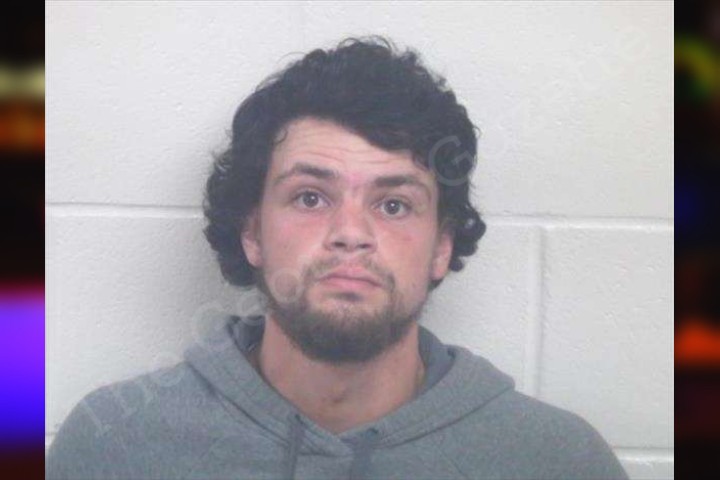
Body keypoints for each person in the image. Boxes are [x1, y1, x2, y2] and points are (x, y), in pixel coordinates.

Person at [46, 36, 628, 480]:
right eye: (310, 197)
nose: (351, 234)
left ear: (442, 246)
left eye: (394, 204)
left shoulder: (559, 461)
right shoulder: (113, 448)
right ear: (252, 232)